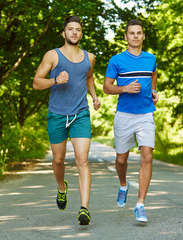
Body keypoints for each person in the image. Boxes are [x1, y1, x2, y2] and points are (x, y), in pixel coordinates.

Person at [33, 15, 101, 225]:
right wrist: (55, 80)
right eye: (70, 29)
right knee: (58, 160)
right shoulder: (52, 56)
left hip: (80, 113)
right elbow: (36, 83)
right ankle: (62, 187)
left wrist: (95, 96)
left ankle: (84, 209)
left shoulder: (89, 57)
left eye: (78, 29)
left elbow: (88, 77)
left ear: (81, 34)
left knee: (83, 160)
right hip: (57, 114)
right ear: (64, 33)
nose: (74, 32)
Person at [103, 19, 159, 223]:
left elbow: (153, 74)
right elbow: (106, 87)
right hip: (124, 115)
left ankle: (140, 205)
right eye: (131, 33)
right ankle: (123, 184)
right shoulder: (116, 60)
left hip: (146, 114)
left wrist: (153, 91)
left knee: (147, 157)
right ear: (126, 37)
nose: (135, 36)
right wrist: (124, 88)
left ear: (143, 36)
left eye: (139, 33)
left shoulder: (151, 58)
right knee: (121, 160)